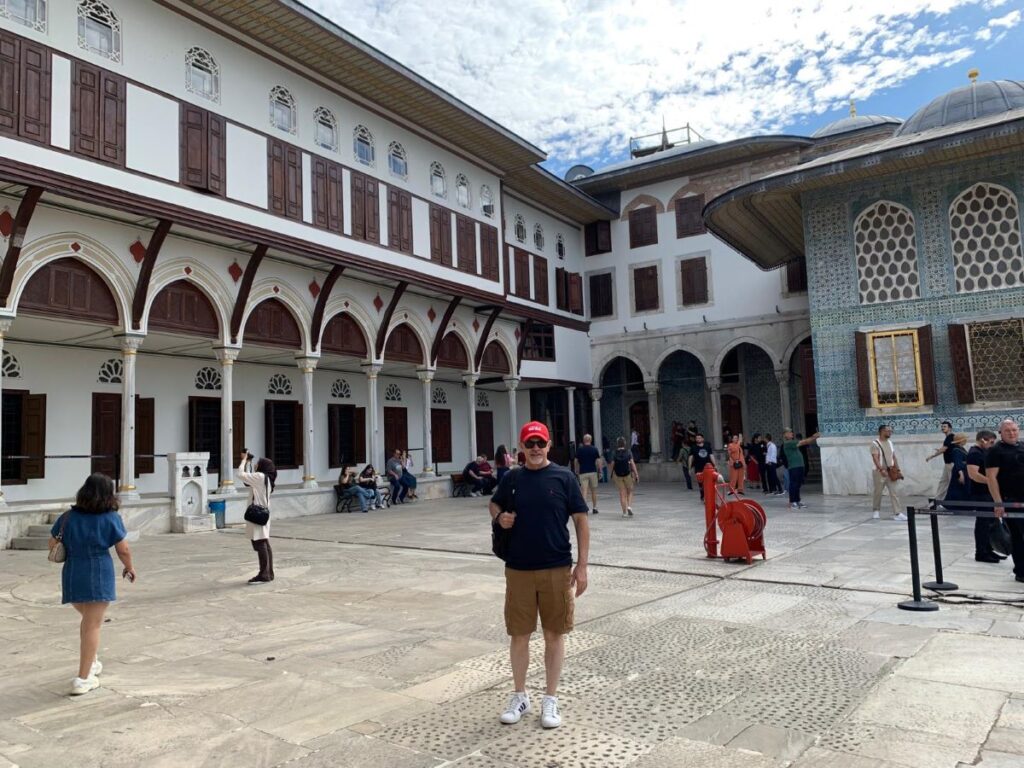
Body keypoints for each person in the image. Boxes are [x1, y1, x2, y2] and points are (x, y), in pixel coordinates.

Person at [490, 421, 589, 730]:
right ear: (521, 448)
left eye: (540, 443)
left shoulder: (564, 477)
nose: (535, 448)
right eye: (529, 443)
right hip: (518, 568)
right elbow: (493, 504)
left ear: (548, 446)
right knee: (519, 634)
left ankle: (550, 698)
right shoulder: (513, 478)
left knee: (553, 634)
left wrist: (582, 566)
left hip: (556, 567)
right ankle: (520, 695)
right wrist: (500, 518)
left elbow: (581, 522)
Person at [48, 473, 135, 696]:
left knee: (88, 619)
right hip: (98, 569)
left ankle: (92, 659)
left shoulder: (68, 517)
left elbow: (52, 541)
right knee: (92, 625)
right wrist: (129, 567)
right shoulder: (110, 518)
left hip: (73, 570)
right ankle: (83, 678)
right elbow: (123, 548)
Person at [986, 419, 1024, 583]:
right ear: (1001, 432)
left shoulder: (1022, 446)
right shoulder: (995, 451)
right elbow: (991, 478)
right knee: (1018, 536)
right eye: (1008, 430)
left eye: (1014, 430)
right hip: (1011, 501)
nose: (1012, 433)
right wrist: (998, 502)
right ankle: (1021, 570)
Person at [238, 451, 277, 582]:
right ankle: (269, 573)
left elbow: (240, 475)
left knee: (260, 543)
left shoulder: (260, 476)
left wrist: (243, 460)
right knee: (264, 542)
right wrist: (248, 463)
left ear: (263, 467)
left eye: (258, 463)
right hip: (263, 514)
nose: (256, 465)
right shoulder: (266, 478)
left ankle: (264, 574)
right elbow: (247, 481)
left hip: (257, 514)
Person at [966, 430, 1001, 563]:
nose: (992, 445)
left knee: (989, 523)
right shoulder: (974, 453)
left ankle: (989, 549)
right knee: (983, 523)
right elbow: (973, 474)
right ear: (983, 440)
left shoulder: (984, 452)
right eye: (991, 442)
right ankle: (981, 552)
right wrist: (990, 481)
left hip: (988, 492)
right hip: (981, 493)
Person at [869, 425, 904, 520]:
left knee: (894, 492)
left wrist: (898, 470)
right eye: (888, 431)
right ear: (882, 432)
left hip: (891, 471)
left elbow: (894, 457)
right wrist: (881, 469)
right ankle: (876, 511)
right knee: (878, 492)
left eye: (890, 431)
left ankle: (897, 513)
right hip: (879, 472)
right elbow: (875, 458)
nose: (890, 432)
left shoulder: (890, 443)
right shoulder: (875, 443)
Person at [782, 429, 819, 510]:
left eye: (792, 431)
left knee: (798, 484)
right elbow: (804, 442)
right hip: (794, 467)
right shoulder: (788, 443)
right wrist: (814, 437)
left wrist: (813, 437)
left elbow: (804, 442)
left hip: (799, 466)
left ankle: (797, 500)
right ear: (785, 435)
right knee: (794, 484)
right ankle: (792, 502)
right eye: (789, 432)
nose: (792, 433)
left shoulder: (793, 442)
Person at [926, 420, 955, 501]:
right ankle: (938, 500)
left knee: (951, 483)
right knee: (943, 482)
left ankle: (951, 501)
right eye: (942, 427)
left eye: (945, 427)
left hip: (951, 463)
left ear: (950, 428)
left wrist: (932, 456)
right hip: (947, 464)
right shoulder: (948, 438)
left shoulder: (950, 436)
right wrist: (940, 449)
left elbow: (944, 449)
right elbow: (947, 448)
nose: (943, 428)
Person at [610, 436, 640, 517]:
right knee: (630, 491)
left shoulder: (614, 453)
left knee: (622, 493)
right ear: (625, 443)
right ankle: (629, 507)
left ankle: (624, 512)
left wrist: (611, 473)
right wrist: (636, 474)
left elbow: (612, 464)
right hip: (627, 474)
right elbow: (632, 463)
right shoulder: (629, 452)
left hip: (618, 475)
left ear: (617, 444)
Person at [573, 434, 603, 514]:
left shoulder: (580, 449)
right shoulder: (594, 449)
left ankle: (584, 508)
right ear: (591, 440)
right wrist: (600, 471)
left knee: (584, 491)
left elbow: (575, 460)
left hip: (583, 472)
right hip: (593, 472)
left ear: (584, 440)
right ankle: (595, 508)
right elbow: (598, 461)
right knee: (594, 490)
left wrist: (576, 469)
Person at [942, 433, 970, 507]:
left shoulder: (961, 448)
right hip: (959, 471)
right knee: (957, 489)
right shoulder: (956, 450)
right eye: (964, 439)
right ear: (961, 441)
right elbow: (958, 462)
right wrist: (961, 474)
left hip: (964, 471)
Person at [688, 434, 715, 501]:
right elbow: (690, 458)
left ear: (702, 439)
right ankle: (703, 495)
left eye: (699, 438)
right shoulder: (693, 447)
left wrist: (715, 465)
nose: (698, 439)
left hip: (708, 468)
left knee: (708, 482)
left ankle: (708, 495)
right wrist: (689, 468)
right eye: (697, 438)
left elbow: (711, 455)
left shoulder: (707, 446)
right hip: (698, 468)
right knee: (701, 483)